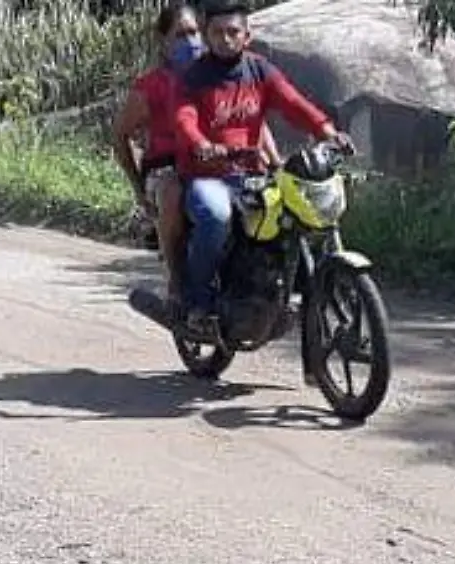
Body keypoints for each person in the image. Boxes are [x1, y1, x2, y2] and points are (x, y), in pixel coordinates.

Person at [172, 0, 350, 340]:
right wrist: (203, 145)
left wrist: (328, 132)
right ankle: (198, 302)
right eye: (217, 33)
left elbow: (294, 104)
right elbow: (184, 120)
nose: (225, 39)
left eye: (233, 32)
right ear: (207, 36)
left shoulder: (260, 70)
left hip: (255, 173)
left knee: (297, 215)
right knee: (216, 216)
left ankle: (284, 289)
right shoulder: (193, 78)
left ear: (247, 36)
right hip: (207, 175)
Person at [111, 2, 203, 299]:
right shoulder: (150, 87)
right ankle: (177, 281)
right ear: (163, 42)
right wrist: (138, 188)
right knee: (172, 192)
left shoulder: (215, 78)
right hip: (166, 166)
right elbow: (120, 136)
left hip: (208, 162)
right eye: (181, 35)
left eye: (195, 33)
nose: (191, 42)